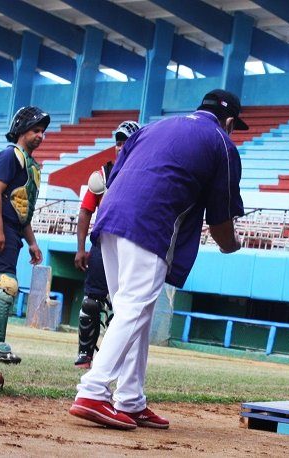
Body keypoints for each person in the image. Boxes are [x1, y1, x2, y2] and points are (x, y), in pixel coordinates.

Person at [69, 89, 246, 430]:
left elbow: (114, 177)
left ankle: (130, 400)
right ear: (228, 122)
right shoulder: (221, 142)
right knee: (135, 308)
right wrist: (230, 244)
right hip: (150, 224)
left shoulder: (152, 127)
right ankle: (92, 391)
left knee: (134, 311)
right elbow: (221, 222)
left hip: (110, 219)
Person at [0, 106, 49, 364]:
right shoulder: (9, 156)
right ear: (21, 130)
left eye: (43, 131)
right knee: (7, 284)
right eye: (36, 130)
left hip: (12, 229)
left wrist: (33, 243)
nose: (41, 135)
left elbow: (21, 209)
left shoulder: (30, 164)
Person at [73, 120, 141, 369]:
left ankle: (113, 358)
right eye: (118, 142)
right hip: (103, 244)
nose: (120, 147)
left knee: (123, 306)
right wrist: (81, 248)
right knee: (92, 300)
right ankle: (85, 354)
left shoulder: (145, 175)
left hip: (131, 245)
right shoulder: (102, 175)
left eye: (126, 142)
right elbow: (85, 212)